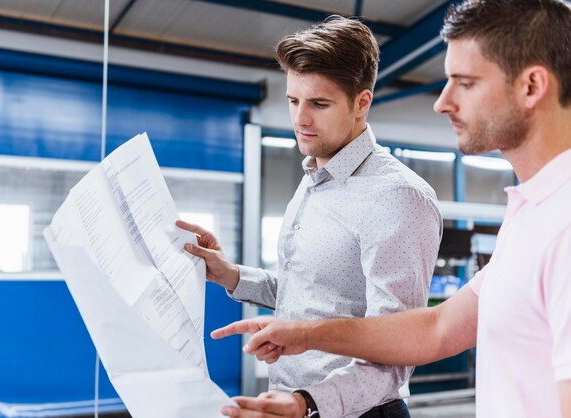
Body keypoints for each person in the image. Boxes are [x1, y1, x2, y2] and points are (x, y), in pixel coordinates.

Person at [212, 1, 571, 417]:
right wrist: (305, 336)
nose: (441, 102)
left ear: (531, 86)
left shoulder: (562, 223)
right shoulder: (529, 212)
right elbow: (433, 330)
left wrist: (311, 390)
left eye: (465, 82)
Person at [177, 15, 443, 418]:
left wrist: (309, 404)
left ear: (361, 103)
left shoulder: (396, 197)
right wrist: (230, 275)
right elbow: (310, 295)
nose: (301, 119)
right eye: (293, 100)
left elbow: (398, 348)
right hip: (295, 402)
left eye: (319, 103)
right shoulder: (315, 176)